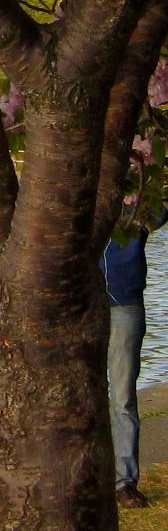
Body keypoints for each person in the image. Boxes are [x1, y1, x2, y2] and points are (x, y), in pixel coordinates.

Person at [102, 214, 162, 509]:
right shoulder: (77, 190)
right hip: (79, 302)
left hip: (125, 304)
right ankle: (85, 478)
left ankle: (124, 482)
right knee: (74, 393)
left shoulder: (137, 196)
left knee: (123, 396)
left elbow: (160, 211)